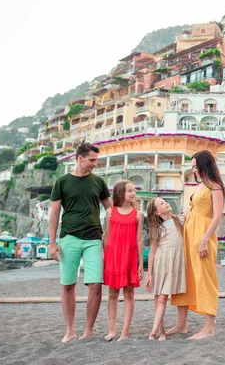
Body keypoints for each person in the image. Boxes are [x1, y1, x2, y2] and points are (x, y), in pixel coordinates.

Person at [48, 142, 112, 343]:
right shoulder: (62, 182)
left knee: (95, 284)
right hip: (69, 238)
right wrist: (52, 242)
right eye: (92, 160)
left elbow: (110, 210)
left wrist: (110, 235)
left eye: (96, 160)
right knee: (68, 284)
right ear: (80, 158)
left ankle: (89, 330)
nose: (95, 164)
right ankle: (70, 330)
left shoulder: (99, 182)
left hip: (93, 238)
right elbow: (55, 212)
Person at [168, 150, 224, 340]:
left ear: (204, 165)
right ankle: (181, 324)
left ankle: (209, 327)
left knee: (205, 278)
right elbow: (188, 212)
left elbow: (217, 216)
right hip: (189, 235)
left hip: (203, 236)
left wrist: (204, 240)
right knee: (187, 278)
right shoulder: (200, 186)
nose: (194, 170)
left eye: (195, 166)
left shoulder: (215, 187)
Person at [103, 180, 144, 341]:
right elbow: (107, 236)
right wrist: (105, 258)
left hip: (129, 256)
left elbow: (139, 240)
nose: (133, 193)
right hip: (113, 256)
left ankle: (124, 332)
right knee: (112, 293)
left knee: (129, 294)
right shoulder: (110, 212)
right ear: (120, 193)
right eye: (129, 191)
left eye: (133, 190)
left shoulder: (138, 214)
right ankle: (112, 330)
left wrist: (141, 263)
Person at [144, 197, 186, 341]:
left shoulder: (180, 220)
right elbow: (152, 252)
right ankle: (159, 332)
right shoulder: (157, 228)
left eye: (165, 201)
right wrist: (149, 274)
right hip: (161, 264)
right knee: (159, 298)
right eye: (162, 203)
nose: (166, 203)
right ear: (156, 212)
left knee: (162, 297)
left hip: (174, 264)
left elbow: (191, 210)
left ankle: (153, 332)